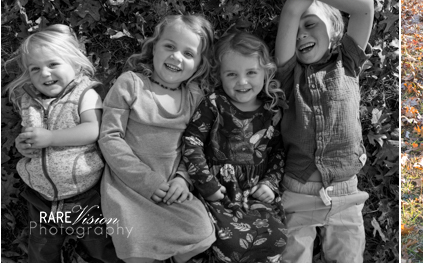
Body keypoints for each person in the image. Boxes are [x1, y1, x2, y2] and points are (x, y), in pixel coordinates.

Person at [99, 15, 216, 262]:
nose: (176, 57)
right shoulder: (131, 84)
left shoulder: (194, 96)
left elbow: (195, 145)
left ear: (198, 64)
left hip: (170, 187)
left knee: (203, 232)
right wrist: (146, 181)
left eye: (188, 54)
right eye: (169, 46)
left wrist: (183, 180)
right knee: (135, 244)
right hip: (127, 186)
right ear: (154, 47)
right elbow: (110, 137)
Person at [275, 0, 375, 262]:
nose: (301, 35)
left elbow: (365, 7)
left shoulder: (348, 63)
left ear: (335, 29)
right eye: (295, 31)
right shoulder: (288, 74)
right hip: (298, 189)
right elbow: (291, 10)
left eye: (310, 24)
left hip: (346, 193)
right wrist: (301, 1)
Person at [8, 25, 118, 263]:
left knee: (100, 246)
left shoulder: (85, 94)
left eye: (53, 64)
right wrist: (23, 145)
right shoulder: (29, 101)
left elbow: (92, 129)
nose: (44, 74)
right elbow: (28, 135)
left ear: (75, 63)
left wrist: (51, 138)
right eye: (34, 69)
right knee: (40, 250)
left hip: (83, 193)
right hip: (40, 197)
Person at [183, 31, 287, 262]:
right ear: (220, 75)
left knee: (277, 238)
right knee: (227, 242)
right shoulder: (214, 104)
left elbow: (278, 152)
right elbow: (192, 142)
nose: (242, 82)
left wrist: (270, 184)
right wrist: (206, 183)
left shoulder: (271, 112)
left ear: (266, 72)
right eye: (232, 74)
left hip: (255, 192)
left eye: (251, 72)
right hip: (218, 190)